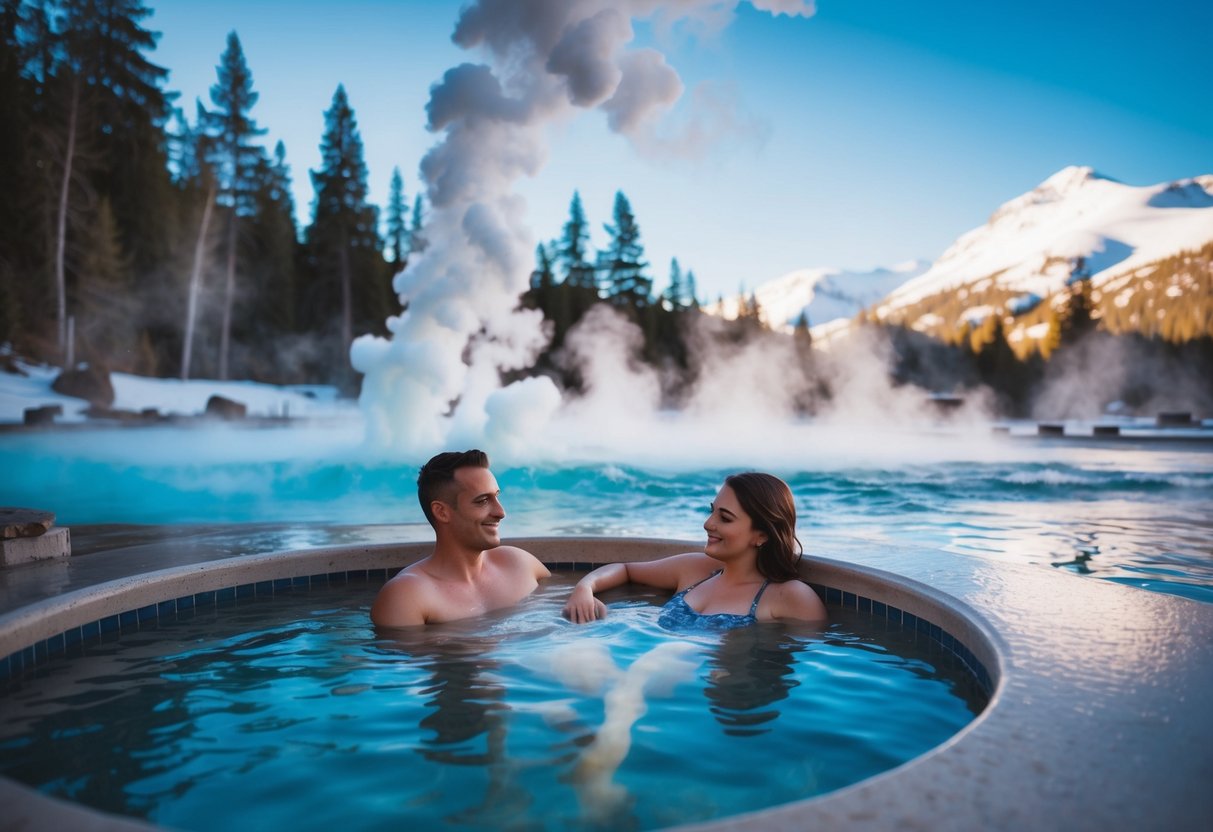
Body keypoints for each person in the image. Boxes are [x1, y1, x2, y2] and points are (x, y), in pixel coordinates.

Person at [562, 472, 827, 628]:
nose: (708, 524)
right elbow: (626, 569)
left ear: (761, 536)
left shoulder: (790, 597)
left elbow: (810, 666)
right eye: (712, 511)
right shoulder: (697, 569)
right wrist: (584, 590)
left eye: (725, 518)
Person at [371, 449, 550, 627]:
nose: (501, 512)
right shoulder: (407, 596)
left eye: (496, 496)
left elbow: (567, 601)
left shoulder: (518, 563)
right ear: (442, 512)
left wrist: (580, 589)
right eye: (482, 501)